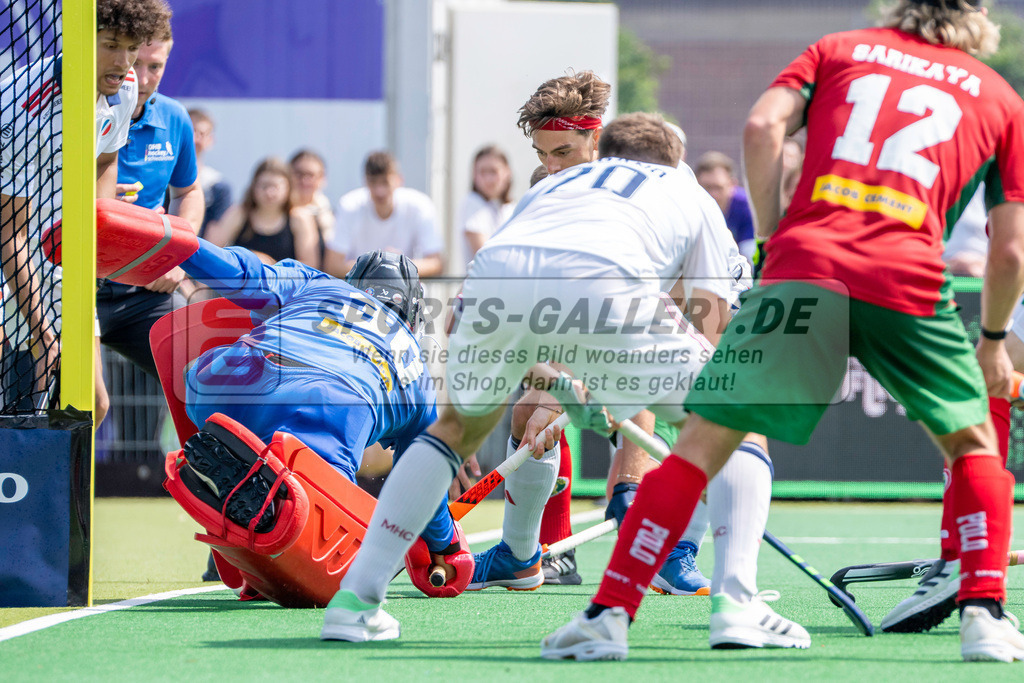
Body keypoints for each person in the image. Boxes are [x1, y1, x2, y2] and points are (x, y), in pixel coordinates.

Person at [543, 0, 1024, 664]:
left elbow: (763, 126)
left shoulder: (840, 47)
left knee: (698, 447)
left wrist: (772, 237)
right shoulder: (999, 96)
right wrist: (994, 340)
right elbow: (1009, 254)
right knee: (973, 445)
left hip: (804, 266)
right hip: (907, 276)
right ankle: (985, 615)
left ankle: (608, 614)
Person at [319, 112, 798, 645]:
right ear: (673, 161)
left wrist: (572, 380)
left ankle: (355, 603)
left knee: (452, 433)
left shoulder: (559, 184)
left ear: (602, 149)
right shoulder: (684, 190)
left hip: (498, 290)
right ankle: (738, 606)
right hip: (604, 296)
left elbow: (493, 292)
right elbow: (715, 334)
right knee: (738, 418)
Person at [511, 71, 715, 593]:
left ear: (595, 139)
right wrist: (548, 383)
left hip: (682, 313)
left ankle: (670, 543)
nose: (550, 167)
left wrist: (564, 385)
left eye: (562, 152)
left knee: (688, 417)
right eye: (542, 154)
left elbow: (653, 309)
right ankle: (543, 556)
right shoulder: (552, 191)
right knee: (525, 413)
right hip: (601, 315)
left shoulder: (652, 185)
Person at [178, 240, 462, 578]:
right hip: (326, 414)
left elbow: (243, 272)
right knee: (331, 561)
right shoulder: (416, 367)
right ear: (414, 318)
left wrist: (182, 246)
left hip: (223, 386)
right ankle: (276, 508)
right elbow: (421, 480)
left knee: (202, 369)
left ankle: (246, 469)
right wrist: (446, 544)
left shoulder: (318, 283)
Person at [0, 0, 171, 422]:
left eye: (132, 47)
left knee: (91, 406)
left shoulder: (124, 82)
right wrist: (43, 334)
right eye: (111, 44)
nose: (124, 62)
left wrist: (96, 238)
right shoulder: (23, 106)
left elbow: (106, 161)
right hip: (10, 252)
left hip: (59, 253)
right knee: (22, 399)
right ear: (78, 40)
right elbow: (10, 231)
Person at [101, 17, 205, 379]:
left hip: (146, 292)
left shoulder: (175, 116)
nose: (142, 78)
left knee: (208, 374)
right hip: (73, 286)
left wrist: (176, 255)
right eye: (135, 63)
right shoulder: (77, 110)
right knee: (75, 403)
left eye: (155, 66)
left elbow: (189, 192)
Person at [324, 152, 443, 279]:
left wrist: (383, 265)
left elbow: (437, 264)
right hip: (360, 293)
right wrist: (388, 265)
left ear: (399, 180)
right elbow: (333, 266)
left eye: (385, 183)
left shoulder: (420, 205)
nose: (379, 190)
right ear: (365, 181)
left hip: (404, 293)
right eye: (373, 182)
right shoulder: (349, 206)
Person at [205, 157, 320, 269]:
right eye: (264, 186)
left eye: (275, 187)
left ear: (288, 188)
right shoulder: (240, 214)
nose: (269, 193)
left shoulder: (299, 218)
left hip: (287, 287)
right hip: (243, 286)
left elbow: (309, 265)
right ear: (254, 187)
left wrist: (271, 266)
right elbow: (212, 253)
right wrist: (247, 259)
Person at [458, 145, 513, 271]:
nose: (488, 179)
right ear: (474, 175)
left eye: (493, 171)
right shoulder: (471, 202)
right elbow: (485, 255)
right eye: (482, 172)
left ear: (507, 172)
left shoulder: (510, 208)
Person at [695, 151, 756, 263]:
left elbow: (750, 254)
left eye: (718, 188)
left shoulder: (747, 207)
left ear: (732, 185)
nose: (713, 194)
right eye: (707, 187)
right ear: (696, 185)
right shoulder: (688, 207)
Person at [188, 108, 232, 238]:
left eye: (201, 134)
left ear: (210, 140)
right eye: (191, 132)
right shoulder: (163, 178)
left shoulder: (219, 187)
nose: (195, 139)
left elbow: (214, 239)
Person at [289, 149, 336, 267]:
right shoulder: (277, 212)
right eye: (299, 174)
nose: (305, 180)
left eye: (311, 175)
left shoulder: (329, 216)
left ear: (322, 178)